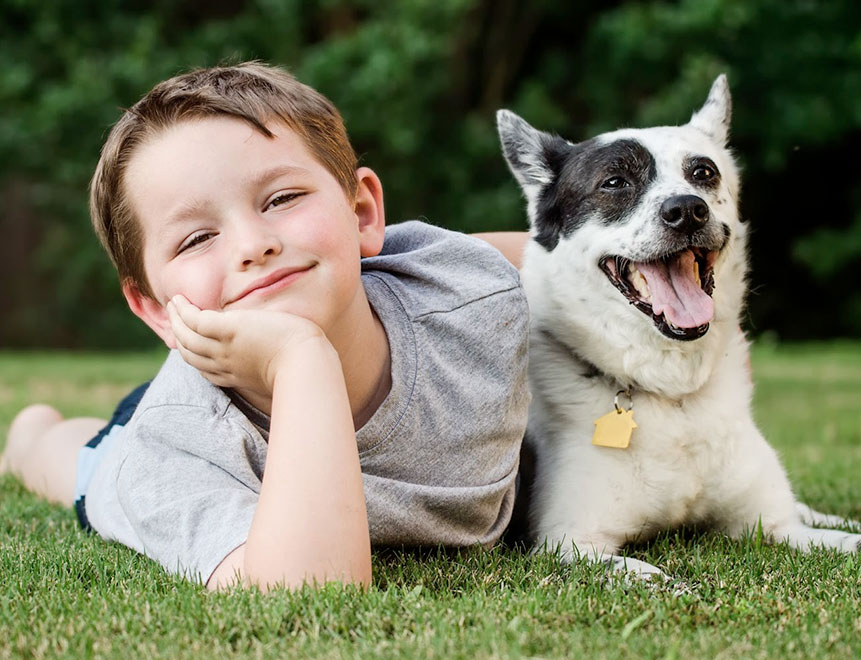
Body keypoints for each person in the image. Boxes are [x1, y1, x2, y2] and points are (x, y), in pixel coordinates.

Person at [0, 62, 530, 591]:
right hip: (185, 414)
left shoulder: (465, 290)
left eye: (282, 199)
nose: (254, 245)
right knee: (84, 463)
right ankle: (30, 436)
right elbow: (310, 596)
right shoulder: (168, 454)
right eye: (196, 238)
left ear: (363, 213)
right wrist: (300, 359)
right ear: (156, 308)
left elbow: (564, 259)